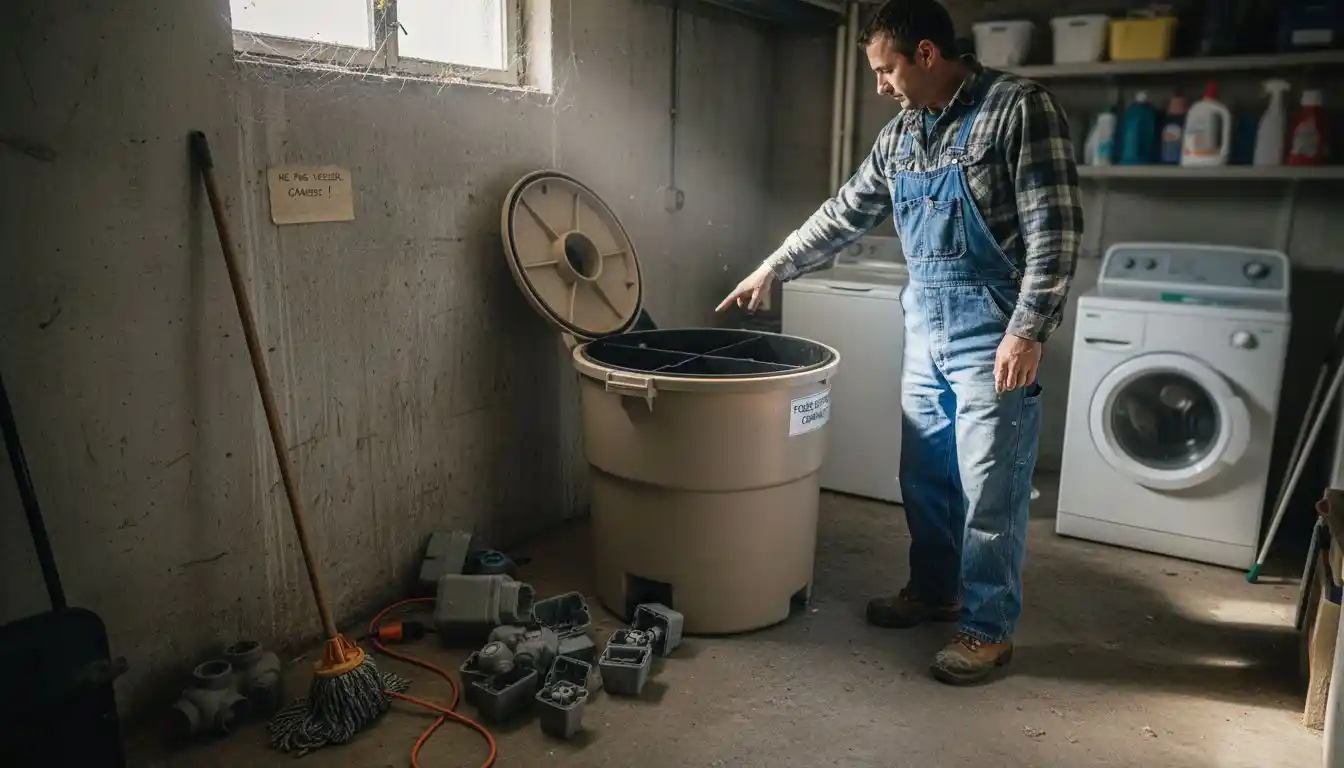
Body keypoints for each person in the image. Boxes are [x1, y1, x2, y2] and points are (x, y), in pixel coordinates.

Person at [716, 0, 1083, 685]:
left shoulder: (1018, 109)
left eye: (886, 70)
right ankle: (936, 590)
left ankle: (987, 628)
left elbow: (1054, 231)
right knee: (926, 477)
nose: (880, 86)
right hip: (927, 328)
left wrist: (1028, 329)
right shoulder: (903, 135)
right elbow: (845, 212)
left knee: (988, 489)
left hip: (994, 332)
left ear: (925, 55)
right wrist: (773, 265)